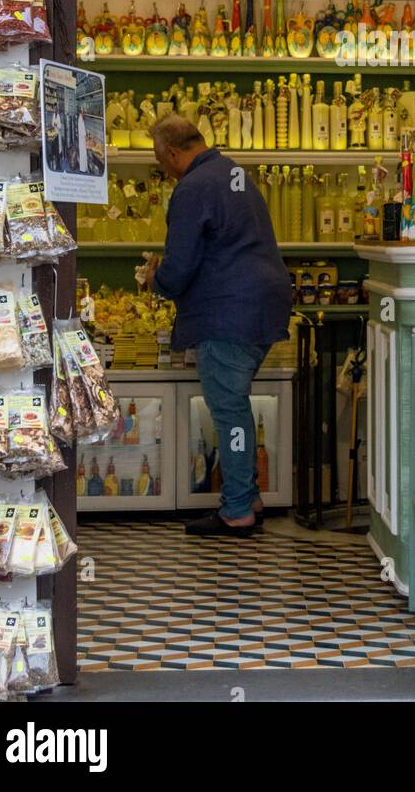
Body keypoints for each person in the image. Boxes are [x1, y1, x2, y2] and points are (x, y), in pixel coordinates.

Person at [145, 115, 292, 537]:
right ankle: (249, 496)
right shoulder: (234, 174)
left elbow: (180, 265)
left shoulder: (192, 187)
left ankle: (238, 509)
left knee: (229, 411)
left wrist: (157, 279)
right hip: (265, 303)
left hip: (228, 309)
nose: (161, 168)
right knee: (237, 404)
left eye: (160, 159)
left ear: (173, 152)